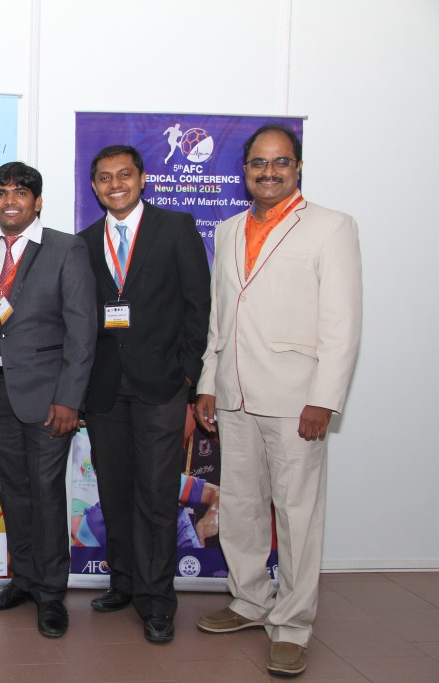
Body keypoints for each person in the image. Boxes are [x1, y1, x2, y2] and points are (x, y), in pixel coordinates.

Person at [194, 124, 362, 678]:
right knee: (240, 506)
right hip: (235, 394)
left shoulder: (332, 227)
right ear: (244, 170)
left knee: (296, 515)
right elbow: (221, 316)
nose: (269, 172)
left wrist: (325, 399)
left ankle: (291, 625)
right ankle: (249, 601)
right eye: (259, 163)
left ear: (297, 167)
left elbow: (342, 323)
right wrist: (208, 382)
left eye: (281, 162)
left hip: (296, 399)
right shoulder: (228, 229)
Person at [0, 161, 97, 638]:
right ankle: (23, 579)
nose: (9, 200)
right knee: (12, 491)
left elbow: (82, 331)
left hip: (48, 398)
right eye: (1, 192)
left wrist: (70, 399)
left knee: (45, 491)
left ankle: (51, 593)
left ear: (37, 202)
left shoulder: (65, 248)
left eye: (20, 192)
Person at [78, 145, 210, 643]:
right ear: (95, 187)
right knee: (114, 493)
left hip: (161, 387)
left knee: (156, 496)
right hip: (105, 390)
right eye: (105, 177)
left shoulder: (175, 228)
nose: (116, 184)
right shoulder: (84, 242)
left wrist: (188, 376)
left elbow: (199, 305)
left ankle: (156, 602)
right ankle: (125, 582)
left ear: (142, 179)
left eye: (125, 175)